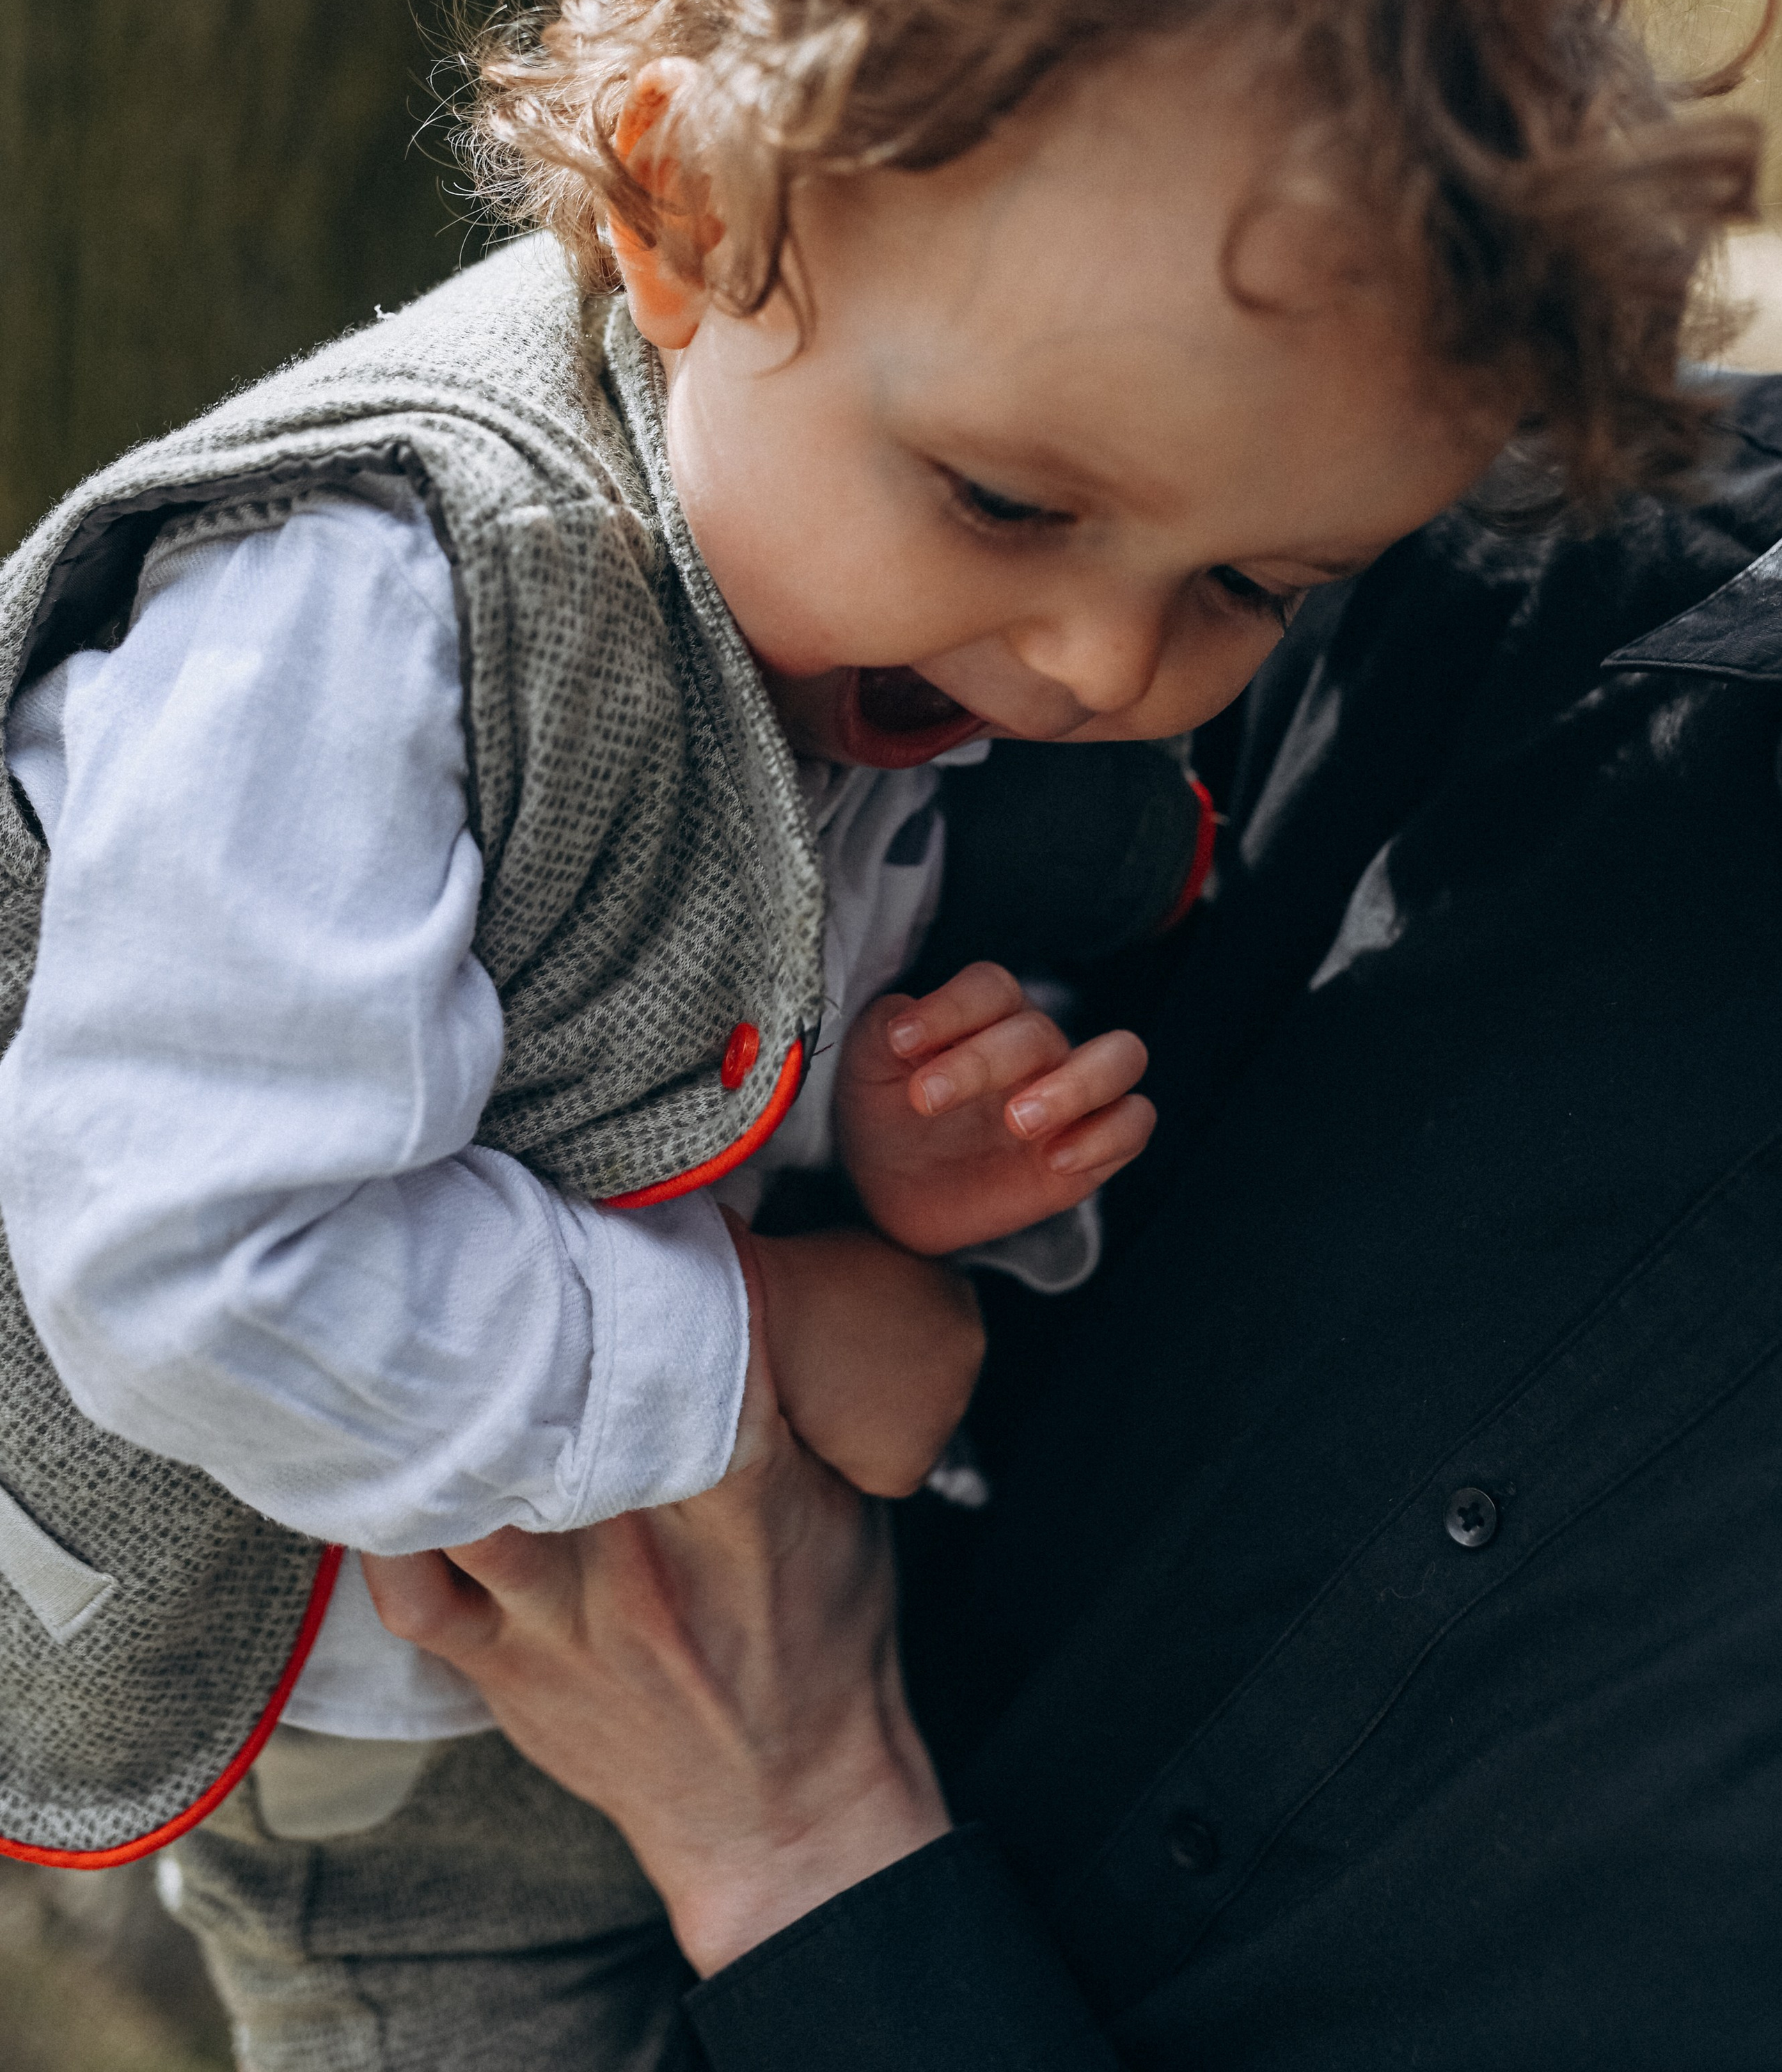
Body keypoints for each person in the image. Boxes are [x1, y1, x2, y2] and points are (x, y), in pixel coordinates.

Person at [0, 0, 1768, 2069]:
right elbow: (186, 1253)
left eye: (1251, 589)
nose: (1092, 665)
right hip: (359, 1761)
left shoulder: (871, 609)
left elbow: (648, 1039)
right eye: (1010, 499)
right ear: (678, 200)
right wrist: (770, 1331)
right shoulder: (373, 601)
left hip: (598, 1707)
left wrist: (908, 1158)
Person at [367, 395, 1782, 2066]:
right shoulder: (1523, 523)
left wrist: (801, 1834)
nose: (1107, 656)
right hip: (473, 1780)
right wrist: (895, 1205)